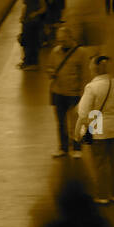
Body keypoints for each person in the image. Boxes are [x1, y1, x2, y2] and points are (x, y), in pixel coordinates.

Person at [76, 55, 114, 203]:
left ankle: (102, 195)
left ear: (94, 69)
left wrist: (80, 130)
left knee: (100, 162)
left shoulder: (91, 87)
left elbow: (84, 112)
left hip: (98, 122)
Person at [47, 24, 90, 158]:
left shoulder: (81, 53)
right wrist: (51, 72)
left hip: (74, 93)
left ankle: (77, 148)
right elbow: (49, 67)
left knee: (75, 122)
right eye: (59, 41)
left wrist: (84, 94)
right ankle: (63, 148)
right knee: (60, 122)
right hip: (58, 92)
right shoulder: (55, 52)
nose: (61, 43)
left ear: (70, 38)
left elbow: (85, 74)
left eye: (63, 41)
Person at [19, 0, 46, 69]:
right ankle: (30, 62)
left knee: (28, 42)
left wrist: (25, 17)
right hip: (32, 22)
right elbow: (43, 8)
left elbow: (26, 9)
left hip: (30, 23)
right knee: (31, 42)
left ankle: (30, 63)